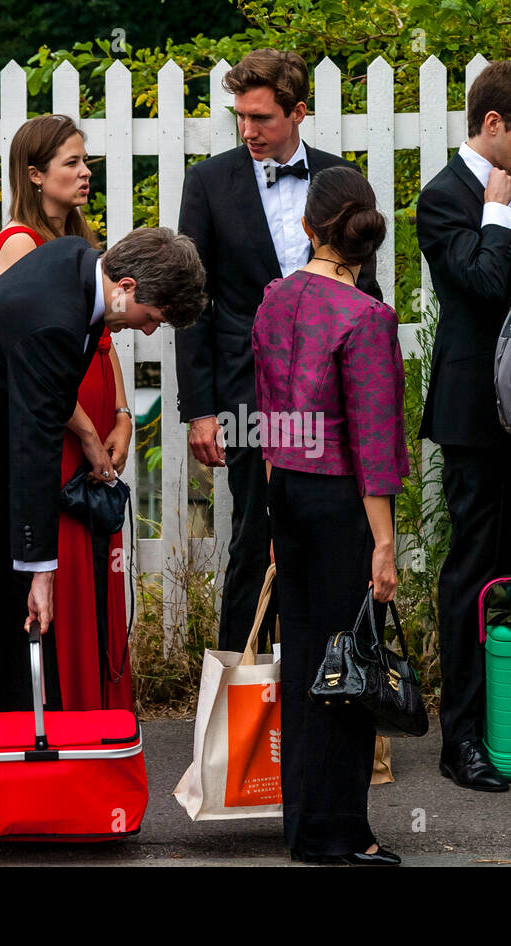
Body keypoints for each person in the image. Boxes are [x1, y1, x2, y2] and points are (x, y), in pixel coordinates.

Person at [0, 228, 205, 731]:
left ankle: (16, 779)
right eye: (152, 318)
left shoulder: (76, 261)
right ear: (127, 286)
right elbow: (35, 447)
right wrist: (41, 571)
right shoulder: (53, 320)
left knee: (10, 644)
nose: (150, 332)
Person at [176, 48, 381, 653]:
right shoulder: (208, 183)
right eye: (240, 116)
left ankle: (331, 681)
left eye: (261, 117)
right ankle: (242, 698)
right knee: (253, 536)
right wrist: (202, 409)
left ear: (298, 113)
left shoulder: (342, 178)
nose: (247, 130)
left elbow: (363, 289)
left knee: (338, 537)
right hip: (247, 394)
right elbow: (194, 301)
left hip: (334, 397)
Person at [416, 60, 511, 792]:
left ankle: (505, 721)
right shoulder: (443, 197)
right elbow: (475, 283)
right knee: (471, 570)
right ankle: (460, 737)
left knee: (506, 566)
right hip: (473, 413)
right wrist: (501, 214)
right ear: (494, 124)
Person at [254, 166, 408, 865]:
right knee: (349, 665)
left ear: (310, 227)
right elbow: (374, 442)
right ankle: (345, 832)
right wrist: (385, 542)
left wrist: (272, 508)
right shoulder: (367, 317)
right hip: (343, 500)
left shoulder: (273, 300)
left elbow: (266, 415)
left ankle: (306, 829)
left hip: (285, 485)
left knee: (305, 662)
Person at [0, 114, 133, 711]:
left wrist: (123, 415)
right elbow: (34, 364)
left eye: (85, 160)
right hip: (62, 440)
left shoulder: (81, 243)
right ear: (34, 173)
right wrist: (91, 438)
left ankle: (106, 712)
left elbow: (104, 340)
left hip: (99, 431)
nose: (84, 171)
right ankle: (71, 715)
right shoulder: (20, 243)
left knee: (103, 575)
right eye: (71, 162)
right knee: (65, 579)